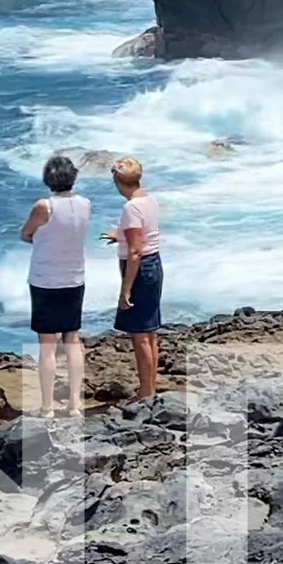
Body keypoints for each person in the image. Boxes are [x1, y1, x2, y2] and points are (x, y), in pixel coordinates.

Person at [19, 153, 93, 421]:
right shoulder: (85, 204)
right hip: (74, 278)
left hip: (45, 280)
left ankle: (47, 406)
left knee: (47, 343)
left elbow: (25, 233)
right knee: (72, 339)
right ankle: (74, 404)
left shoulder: (44, 206)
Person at [108, 154, 165, 403]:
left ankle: (145, 393)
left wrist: (125, 289)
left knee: (140, 335)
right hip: (154, 264)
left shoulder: (131, 207)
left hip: (141, 269)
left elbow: (134, 251)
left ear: (118, 181)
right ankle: (149, 388)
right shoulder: (148, 199)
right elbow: (143, 235)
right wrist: (120, 234)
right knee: (149, 332)